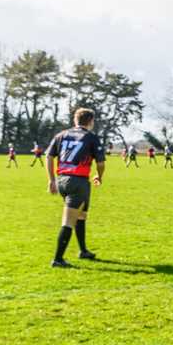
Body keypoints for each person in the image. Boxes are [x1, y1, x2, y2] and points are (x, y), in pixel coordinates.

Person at [45, 107, 106, 267]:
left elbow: (49, 156)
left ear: (75, 120)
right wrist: (99, 176)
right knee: (68, 221)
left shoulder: (61, 135)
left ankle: (83, 250)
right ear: (91, 121)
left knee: (81, 216)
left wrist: (51, 180)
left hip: (63, 180)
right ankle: (57, 259)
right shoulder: (91, 137)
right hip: (78, 182)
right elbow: (100, 163)